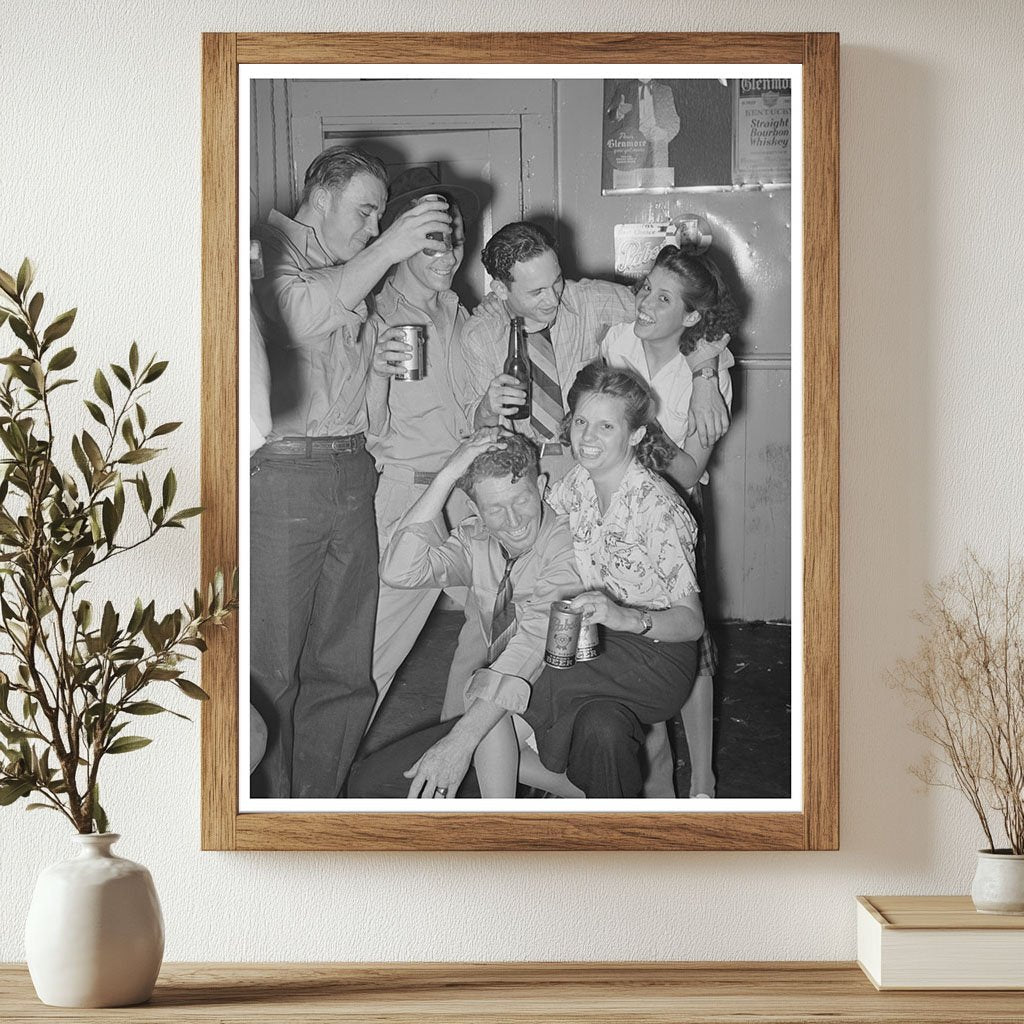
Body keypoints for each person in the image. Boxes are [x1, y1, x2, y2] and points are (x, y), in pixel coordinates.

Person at [249, 145, 451, 799]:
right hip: (285, 479)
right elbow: (301, 312)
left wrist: (383, 369)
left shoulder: (350, 276)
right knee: (272, 669)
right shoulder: (262, 251)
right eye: (365, 213)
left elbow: (367, 416)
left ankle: (317, 804)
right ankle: (268, 811)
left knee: (346, 669)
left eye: (378, 221)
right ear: (323, 194)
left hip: (351, 471)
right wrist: (389, 247)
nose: (370, 229)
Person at [472, 363, 704, 799]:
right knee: (586, 722)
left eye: (605, 426)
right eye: (581, 422)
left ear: (635, 434)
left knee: (524, 683)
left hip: (657, 657)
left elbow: (692, 623)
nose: (588, 437)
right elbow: (532, 516)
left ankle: (475, 742)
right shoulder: (577, 484)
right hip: (598, 648)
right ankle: (572, 802)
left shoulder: (657, 508)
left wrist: (625, 616)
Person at [346, 431, 582, 800]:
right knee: (369, 783)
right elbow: (399, 571)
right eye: (495, 509)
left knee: (472, 734)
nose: (514, 520)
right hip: (500, 712)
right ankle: (581, 791)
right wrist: (445, 477)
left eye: (521, 499)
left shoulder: (566, 543)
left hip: (560, 699)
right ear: (476, 511)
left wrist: (460, 741)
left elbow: (536, 645)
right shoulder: (477, 540)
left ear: (541, 485)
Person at [600, 245, 739, 799]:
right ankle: (656, 770)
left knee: (690, 641)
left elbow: (686, 471)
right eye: (646, 289)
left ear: (692, 317)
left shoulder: (710, 375)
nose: (645, 303)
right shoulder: (618, 342)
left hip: (674, 511)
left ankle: (702, 777)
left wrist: (640, 418)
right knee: (633, 635)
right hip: (618, 503)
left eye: (663, 297)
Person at [456, 221, 731, 485]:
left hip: (589, 471)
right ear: (501, 289)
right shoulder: (480, 336)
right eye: (537, 292)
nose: (553, 299)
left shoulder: (589, 301)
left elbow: (680, 315)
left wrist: (704, 377)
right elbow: (477, 431)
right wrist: (488, 408)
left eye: (556, 282)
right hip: (519, 472)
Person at [360, 169, 482, 717]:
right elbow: (365, 430)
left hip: (467, 493)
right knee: (374, 660)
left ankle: (461, 750)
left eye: (453, 240)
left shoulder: (458, 311)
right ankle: (317, 788)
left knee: (498, 626)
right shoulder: (372, 315)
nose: (448, 255)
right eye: (433, 240)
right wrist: (377, 373)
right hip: (409, 500)